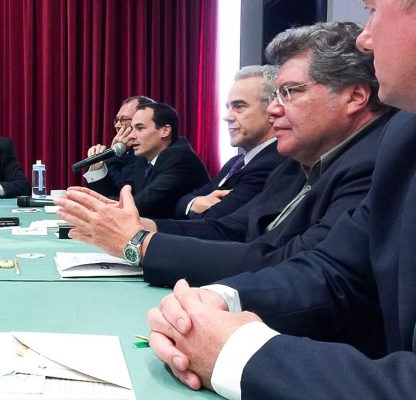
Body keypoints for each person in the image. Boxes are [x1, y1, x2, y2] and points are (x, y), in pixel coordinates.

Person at [147, 4, 416, 398]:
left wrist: (235, 352)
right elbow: (335, 270)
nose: (365, 38)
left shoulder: (376, 149)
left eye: (374, 10)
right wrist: (221, 299)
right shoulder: (404, 135)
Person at [55, 21, 394, 287]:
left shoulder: (374, 164)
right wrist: (144, 226)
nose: (274, 109)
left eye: (290, 92)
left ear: (355, 97)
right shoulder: (295, 165)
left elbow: (293, 266)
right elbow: (229, 229)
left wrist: (140, 244)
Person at [174, 65, 284, 220]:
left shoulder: (274, 162)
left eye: (239, 106)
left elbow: (214, 222)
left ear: (272, 110)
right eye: (228, 107)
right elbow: (181, 203)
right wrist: (193, 203)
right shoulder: (235, 162)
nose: (227, 117)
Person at [84, 102, 209, 219]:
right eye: (132, 128)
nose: (132, 135)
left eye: (140, 128)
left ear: (165, 131)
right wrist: (98, 169)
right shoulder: (144, 159)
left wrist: (90, 204)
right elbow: (121, 194)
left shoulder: (180, 157)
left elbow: (141, 206)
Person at [85, 96, 155, 188]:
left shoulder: (147, 152)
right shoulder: (126, 150)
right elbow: (101, 191)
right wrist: (97, 167)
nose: (117, 125)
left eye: (123, 120)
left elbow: (120, 187)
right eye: (117, 120)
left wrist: (114, 154)